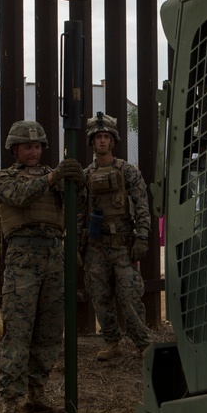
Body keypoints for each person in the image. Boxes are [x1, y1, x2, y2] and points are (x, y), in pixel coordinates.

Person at [0, 120, 83, 413]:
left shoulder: (53, 177)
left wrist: (79, 182)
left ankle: (37, 392)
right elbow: (20, 196)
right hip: (23, 257)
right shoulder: (4, 177)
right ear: (14, 149)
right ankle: (9, 402)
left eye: (37, 146)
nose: (33, 152)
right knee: (18, 331)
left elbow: (76, 205)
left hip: (54, 256)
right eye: (27, 146)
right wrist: (54, 177)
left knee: (50, 331)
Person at [77, 112, 153, 361]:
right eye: (98, 137)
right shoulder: (86, 176)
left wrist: (142, 236)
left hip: (122, 244)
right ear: (92, 142)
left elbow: (142, 204)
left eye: (106, 137)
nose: (102, 141)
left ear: (113, 140)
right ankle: (112, 343)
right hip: (95, 245)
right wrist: (77, 245)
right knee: (100, 296)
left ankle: (144, 344)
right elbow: (79, 212)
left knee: (129, 295)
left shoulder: (128, 171)